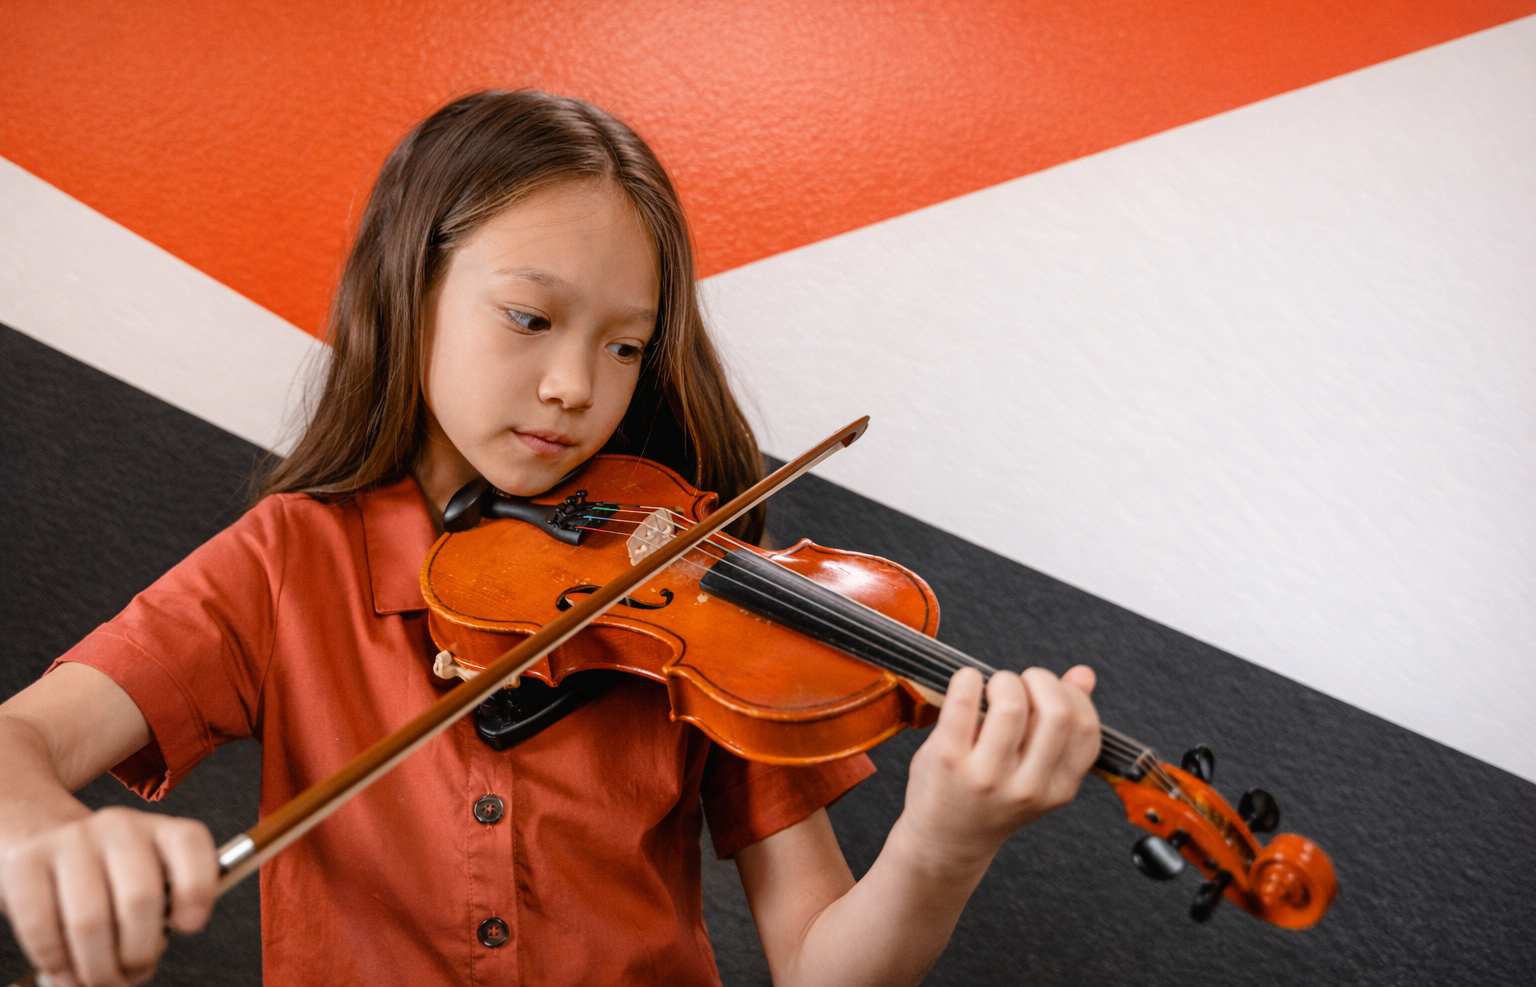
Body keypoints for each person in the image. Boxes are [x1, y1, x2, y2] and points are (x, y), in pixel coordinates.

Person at [0, 89, 1101, 987]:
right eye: (530, 319)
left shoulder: (689, 587)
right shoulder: (290, 562)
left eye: (626, 347)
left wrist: (944, 842)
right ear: (411, 286)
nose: (577, 386)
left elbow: (823, 965)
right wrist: (49, 838)